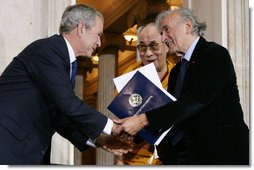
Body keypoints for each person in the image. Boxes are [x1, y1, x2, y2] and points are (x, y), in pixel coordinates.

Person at [0, 4, 131, 165]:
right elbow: (67, 103)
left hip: (24, 151)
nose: (99, 42)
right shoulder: (49, 50)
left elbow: (60, 117)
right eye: (98, 35)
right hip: (8, 148)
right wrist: (112, 127)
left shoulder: (62, 59)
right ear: (81, 28)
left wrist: (100, 140)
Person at [115, 8, 249, 165]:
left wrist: (142, 120)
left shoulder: (214, 54)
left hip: (222, 155)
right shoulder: (177, 71)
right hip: (187, 158)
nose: (163, 37)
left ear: (187, 26)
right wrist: (132, 132)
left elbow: (194, 101)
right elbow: (171, 115)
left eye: (166, 30)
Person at [115, 22, 180, 165]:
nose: (148, 53)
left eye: (154, 45)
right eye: (142, 47)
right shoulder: (129, 77)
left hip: (171, 159)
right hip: (136, 160)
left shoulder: (178, 75)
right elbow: (119, 124)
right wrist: (119, 161)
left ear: (165, 45)